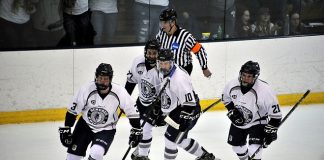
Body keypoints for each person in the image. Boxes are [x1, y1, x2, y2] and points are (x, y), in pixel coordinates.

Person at [58, 63, 143, 160]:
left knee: (97, 153)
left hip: (106, 129)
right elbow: (73, 111)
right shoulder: (86, 89)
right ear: (96, 77)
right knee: (72, 157)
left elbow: (131, 110)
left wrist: (137, 129)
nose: (102, 82)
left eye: (105, 79)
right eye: (100, 78)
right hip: (85, 125)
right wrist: (67, 128)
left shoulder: (119, 92)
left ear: (110, 80)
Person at [148, 49, 219, 160]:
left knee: (170, 139)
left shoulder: (179, 79)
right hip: (178, 108)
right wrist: (159, 108)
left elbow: (190, 103)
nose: (162, 66)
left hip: (188, 109)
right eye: (160, 63)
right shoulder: (164, 71)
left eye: (165, 63)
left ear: (171, 62)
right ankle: (205, 156)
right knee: (180, 140)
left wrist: (186, 119)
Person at [221, 61, 282, 160]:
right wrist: (233, 110)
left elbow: (276, 116)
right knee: (236, 147)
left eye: (249, 76)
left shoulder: (264, 90)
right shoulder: (232, 84)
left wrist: (271, 131)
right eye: (244, 75)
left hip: (258, 120)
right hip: (240, 119)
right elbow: (226, 99)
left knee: (254, 150)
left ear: (255, 77)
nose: (245, 78)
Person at [125, 39, 165, 160]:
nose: (151, 56)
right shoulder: (137, 62)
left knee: (146, 129)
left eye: (154, 53)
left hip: (156, 104)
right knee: (140, 129)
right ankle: (141, 151)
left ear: (159, 53)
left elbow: (168, 92)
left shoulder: (163, 67)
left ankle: (143, 155)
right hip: (141, 102)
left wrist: (160, 111)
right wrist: (124, 101)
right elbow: (131, 82)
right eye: (149, 53)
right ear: (145, 52)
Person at [156, 8, 212, 78]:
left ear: (173, 22)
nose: (162, 26)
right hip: (166, 70)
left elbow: (199, 50)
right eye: (161, 23)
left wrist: (204, 68)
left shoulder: (185, 37)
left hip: (182, 71)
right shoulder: (161, 33)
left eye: (165, 23)